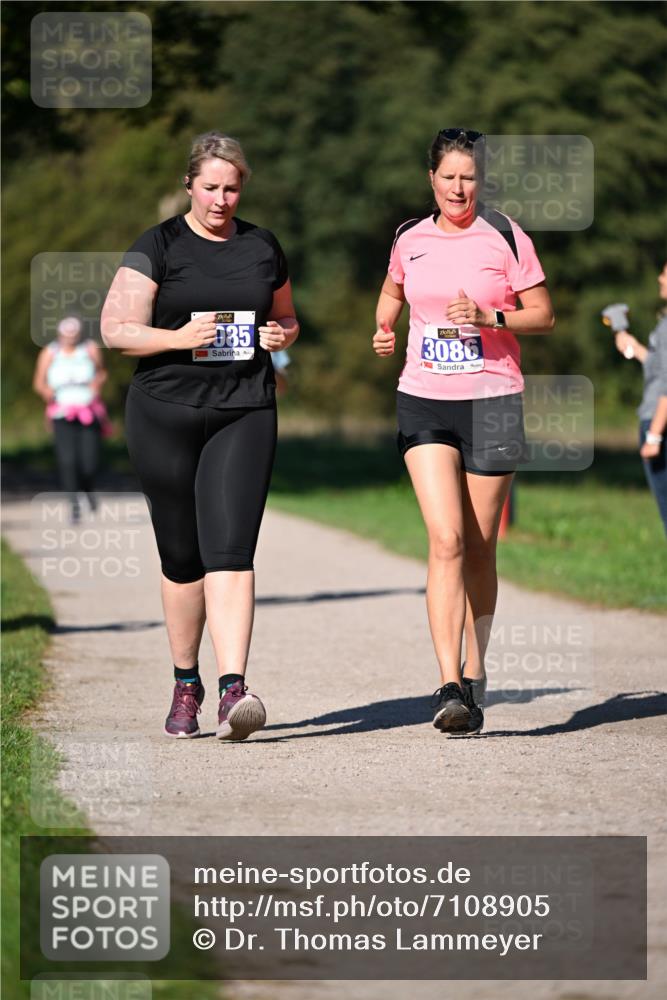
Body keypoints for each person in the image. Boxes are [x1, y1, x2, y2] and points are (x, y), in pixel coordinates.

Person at [100, 131, 298, 741]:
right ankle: (186, 683)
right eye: (210, 187)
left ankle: (233, 688)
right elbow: (116, 329)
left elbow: (286, 315)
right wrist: (179, 338)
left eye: (232, 187)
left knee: (233, 550)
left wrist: (281, 336)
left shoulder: (263, 246)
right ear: (190, 185)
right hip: (165, 411)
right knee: (183, 559)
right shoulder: (156, 245)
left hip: (244, 408)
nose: (221, 199)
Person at [373, 128, 554, 736]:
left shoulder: (504, 234)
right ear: (431, 179)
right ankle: (449, 685)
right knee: (446, 539)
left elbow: (543, 314)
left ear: (482, 181)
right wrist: (384, 327)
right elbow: (393, 290)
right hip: (424, 399)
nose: (459, 187)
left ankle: (476, 673)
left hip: (493, 401)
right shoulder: (409, 237)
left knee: (479, 546)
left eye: (469, 177)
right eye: (449, 176)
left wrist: (489, 316)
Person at [33, 316, 110, 523]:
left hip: (88, 411)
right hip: (61, 412)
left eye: (73, 334)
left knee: (89, 462)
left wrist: (96, 386)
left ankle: (89, 489)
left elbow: (101, 374)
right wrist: (47, 392)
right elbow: (39, 382)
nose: (70, 338)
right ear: (60, 334)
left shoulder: (90, 349)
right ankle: (73, 505)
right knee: (68, 461)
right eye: (66, 334)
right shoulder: (50, 352)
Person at [614, 264, 667, 535]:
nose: (660, 278)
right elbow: (661, 368)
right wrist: (635, 349)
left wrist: (655, 436)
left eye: (665, 273)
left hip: (660, 423)